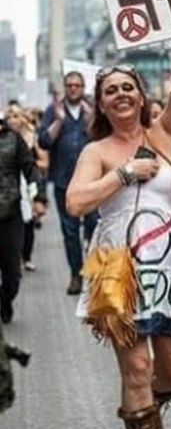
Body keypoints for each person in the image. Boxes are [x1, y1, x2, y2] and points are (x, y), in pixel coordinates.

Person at [65, 47, 171, 429]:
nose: (120, 95)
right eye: (110, 91)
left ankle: (147, 414)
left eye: (128, 88)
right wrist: (123, 174)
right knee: (137, 369)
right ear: (101, 105)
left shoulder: (165, 136)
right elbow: (75, 203)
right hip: (116, 272)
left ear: (142, 97)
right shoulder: (95, 151)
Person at [38, 71, 99, 294]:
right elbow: (43, 141)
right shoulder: (53, 111)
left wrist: (91, 120)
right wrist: (59, 121)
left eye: (77, 85)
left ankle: (94, 274)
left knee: (95, 227)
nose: (73, 88)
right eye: (70, 85)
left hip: (91, 182)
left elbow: (101, 138)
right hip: (64, 181)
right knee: (70, 231)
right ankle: (76, 274)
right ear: (65, 87)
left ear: (83, 88)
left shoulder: (91, 111)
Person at [0, 109, 36, 323]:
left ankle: (5, 301)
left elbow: (29, 167)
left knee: (12, 273)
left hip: (10, 214)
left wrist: (38, 195)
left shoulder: (13, 138)